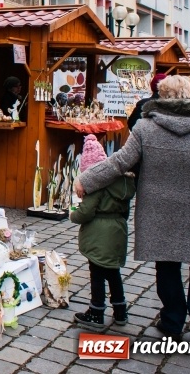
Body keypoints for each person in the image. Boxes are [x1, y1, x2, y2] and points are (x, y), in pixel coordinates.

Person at [74, 75, 190, 340]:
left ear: (161, 96)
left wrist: (86, 179)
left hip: (159, 209)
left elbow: (120, 163)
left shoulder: (145, 127)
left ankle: (172, 320)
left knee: (166, 264)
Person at [70, 134, 135, 329]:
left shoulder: (96, 185)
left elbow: (86, 211)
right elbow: (125, 213)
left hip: (99, 235)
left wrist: (73, 214)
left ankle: (96, 311)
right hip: (116, 232)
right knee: (113, 272)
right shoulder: (122, 184)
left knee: (96, 272)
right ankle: (120, 310)